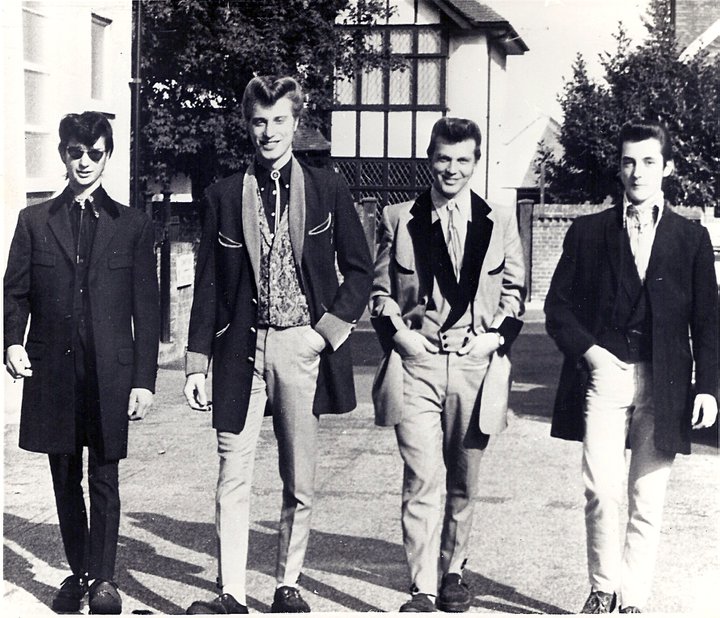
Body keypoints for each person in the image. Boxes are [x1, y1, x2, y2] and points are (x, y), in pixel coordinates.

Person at [182, 75, 373, 614]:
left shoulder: (328, 187)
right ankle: (231, 593)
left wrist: (323, 335)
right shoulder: (223, 195)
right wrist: (196, 364)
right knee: (232, 473)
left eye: (280, 120)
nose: (269, 132)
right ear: (248, 125)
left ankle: (287, 582)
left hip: (300, 346)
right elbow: (209, 287)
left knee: (300, 474)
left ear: (297, 122)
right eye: (259, 121)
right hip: (240, 349)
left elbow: (359, 272)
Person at [544, 118, 718, 613]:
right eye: (628, 162)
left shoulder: (691, 238)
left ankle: (632, 600)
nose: (637, 172)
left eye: (648, 162)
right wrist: (593, 355)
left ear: (665, 167)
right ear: (618, 168)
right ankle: (602, 588)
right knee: (601, 489)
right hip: (606, 376)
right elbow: (558, 309)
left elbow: (708, 320)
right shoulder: (589, 232)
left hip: (664, 382)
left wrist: (707, 386)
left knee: (647, 498)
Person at [4, 111, 160, 614]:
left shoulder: (133, 225)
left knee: (105, 475)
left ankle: (106, 581)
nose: (86, 162)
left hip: (109, 374)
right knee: (64, 474)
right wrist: (12, 342)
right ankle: (79, 572)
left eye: (95, 153)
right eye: (77, 152)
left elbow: (147, 309)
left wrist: (144, 381)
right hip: (53, 371)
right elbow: (16, 293)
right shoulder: (34, 221)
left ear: (108, 156)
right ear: (63, 155)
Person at [370, 117, 526, 612]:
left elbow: (515, 294)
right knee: (421, 476)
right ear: (429, 159)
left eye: (462, 160)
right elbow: (379, 294)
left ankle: (453, 571)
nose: (451, 169)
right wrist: (403, 340)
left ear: (475, 163)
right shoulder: (398, 218)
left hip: (474, 366)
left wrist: (494, 340)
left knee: (464, 476)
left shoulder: (499, 221)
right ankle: (422, 585)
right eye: (443, 158)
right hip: (416, 363)